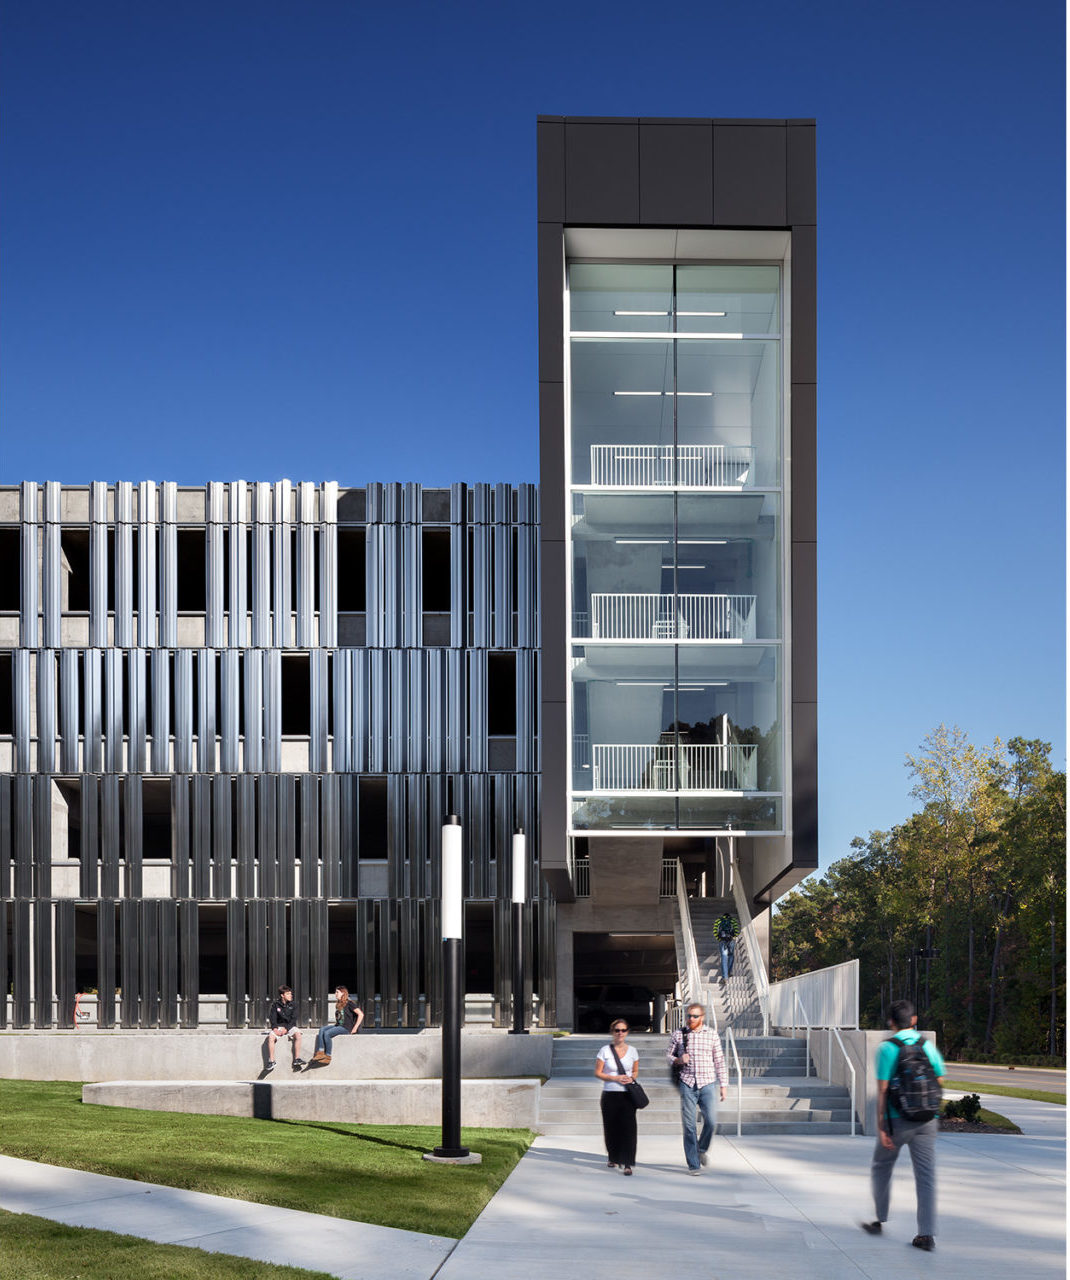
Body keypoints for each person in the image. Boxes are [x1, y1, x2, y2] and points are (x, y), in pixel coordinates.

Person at [862, 999, 945, 1252]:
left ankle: (879, 1218)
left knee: (881, 1166)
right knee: (926, 1177)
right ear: (914, 1020)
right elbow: (939, 1079)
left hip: (898, 1121)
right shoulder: (926, 1046)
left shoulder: (887, 1048)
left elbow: (883, 1090)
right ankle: (926, 1235)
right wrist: (934, 1114)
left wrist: (882, 1126)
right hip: (927, 1120)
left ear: (891, 1022)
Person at [666, 1003, 727, 1174]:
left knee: (711, 1121)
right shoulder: (679, 1034)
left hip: (707, 1083)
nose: (691, 1019)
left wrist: (723, 1085)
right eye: (689, 1016)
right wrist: (678, 1060)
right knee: (689, 1126)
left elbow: (719, 1061)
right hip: (687, 1083)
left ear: (702, 1017)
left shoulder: (711, 1034)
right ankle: (693, 1164)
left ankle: (701, 1150)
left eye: (695, 1016)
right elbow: (669, 1055)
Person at [594, 1020, 640, 1176]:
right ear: (612, 1032)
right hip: (610, 1093)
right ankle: (613, 1156)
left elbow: (635, 1072)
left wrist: (630, 1078)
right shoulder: (605, 1051)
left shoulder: (633, 1051)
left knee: (629, 1128)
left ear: (627, 1032)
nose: (620, 1033)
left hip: (627, 1094)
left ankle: (628, 1163)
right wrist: (615, 1079)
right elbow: (598, 1073)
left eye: (623, 1030)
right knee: (611, 1127)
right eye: (617, 1030)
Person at [311, 986, 364, 1065]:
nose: (335, 994)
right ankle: (320, 1052)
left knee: (327, 1033)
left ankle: (328, 1056)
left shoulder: (349, 1003)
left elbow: (361, 1014)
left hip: (346, 1028)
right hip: (339, 1026)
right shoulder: (339, 1004)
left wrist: (355, 1028)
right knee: (322, 1029)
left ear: (343, 993)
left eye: (337, 992)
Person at [265, 984, 305, 1071]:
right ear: (282, 995)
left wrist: (286, 1029)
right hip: (279, 1026)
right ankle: (271, 1061)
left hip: (290, 1026)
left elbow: (293, 1019)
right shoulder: (276, 1005)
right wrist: (275, 1028)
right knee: (271, 1037)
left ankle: (297, 1059)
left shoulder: (294, 1004)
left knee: (298, 1034)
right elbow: (273, 1018)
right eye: (288, 994)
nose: (291, 995)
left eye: (291, 994)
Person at [714, 911, 739, 980]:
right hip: (731, 941)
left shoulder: (718, 921)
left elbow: (715, 931)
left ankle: (725, 976)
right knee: (731, 955)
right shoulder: (733, 921)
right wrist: (733, 937)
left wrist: (719, 938)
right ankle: (729, 971)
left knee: (724, 957)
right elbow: (736, 931)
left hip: (722, 941)